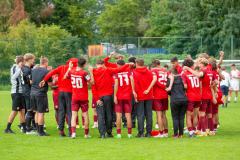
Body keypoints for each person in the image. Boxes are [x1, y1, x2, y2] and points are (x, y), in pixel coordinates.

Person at [90, 59, 131, 138]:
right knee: (109, 114)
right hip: (108, 96)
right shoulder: (107, 70)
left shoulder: (93, 72)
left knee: (100, 115)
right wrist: (127, 64)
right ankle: (109, 132)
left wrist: (97, 99)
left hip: (99, 96)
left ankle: (102, 133)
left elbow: (93, 87)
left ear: (96, 65)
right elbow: (120, 69)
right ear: (103, 64)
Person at [40, 58, 78, 137]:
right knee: (69, 112)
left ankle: (61, 130)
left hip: (60, 93)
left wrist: (44, 80)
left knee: (61, 111)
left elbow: (51, 73)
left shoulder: (61, 67)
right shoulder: (74, 69)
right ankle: (71, 131)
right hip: (70, 93)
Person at [183, 58, 217, 136]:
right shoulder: (210, 71)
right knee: (208, 114)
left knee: (200, 114)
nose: (198, 65)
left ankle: (202, 131)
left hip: (201, 96)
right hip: (207, 96)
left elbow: (198, 75)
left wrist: (187, 68)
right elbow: (215, 82)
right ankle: (210, 130)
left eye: (200, 63)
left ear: (203, 64)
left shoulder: (203, 71)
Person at [64, 57, 92, 138]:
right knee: (85, 115)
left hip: (75, 96)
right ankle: (86, 134)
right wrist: (91, 73)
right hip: (83, 97)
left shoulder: (72, 71)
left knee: (73, 115)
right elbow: (91, 83)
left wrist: (69, 68)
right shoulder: (84, 73)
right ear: (84, 64)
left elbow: (65, 76)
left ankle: (73, 133)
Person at [131, 58, 157, 138]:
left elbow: (133, 82)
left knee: (140, 115)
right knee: (149, 114)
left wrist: (133, 92)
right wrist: (149, 89)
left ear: (136, 63)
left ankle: (141, 132)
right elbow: (154, 79)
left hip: (139, 95)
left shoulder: (134, 72)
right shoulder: (149, 72)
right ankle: (148, 132)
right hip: (149, 95)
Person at [4, 56, 27, 134]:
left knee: (22, 111)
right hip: (16, 93)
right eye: (24, 61)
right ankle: (7, 128)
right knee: (15, 111)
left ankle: (24, 128)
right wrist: (20, 68)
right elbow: (13, 78)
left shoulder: (19, 68)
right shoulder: (15, 67)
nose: (25, 63)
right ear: (21, 61)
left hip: (21, 93)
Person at [151, 59, 173, 138]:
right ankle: (166, 132)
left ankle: (161, 133)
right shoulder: (165, 71)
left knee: (159, 115)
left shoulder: (154, 71)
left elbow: (155, 81)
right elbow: (171, 78)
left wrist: (163, 87)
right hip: (165, 95)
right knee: (164, 114)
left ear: (154, 64)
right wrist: (168, 87)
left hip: (157, 95)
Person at [113, 60, 133, 138]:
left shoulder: (117, 72)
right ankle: (129, 134)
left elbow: (116, 84)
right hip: (127, 95)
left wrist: (114, 95)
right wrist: (133, 91)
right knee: (128, 115)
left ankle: (119, 134)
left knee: (118, 115)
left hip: (119, 96)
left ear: (118, 65)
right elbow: (132, 80)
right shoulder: (129, 71)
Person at [31, 57, 50, 136]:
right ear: (45, 62)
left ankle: (37, 130)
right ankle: (41, 131)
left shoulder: (34, 70)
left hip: (32, 93)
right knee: (41, 112)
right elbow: (51, 83)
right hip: (41, 94)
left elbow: (31, 81)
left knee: (36, 111)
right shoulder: (46, 71)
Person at [182, 58, 201, 137]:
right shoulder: (196, 73)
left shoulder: (184, 74)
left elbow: (185, 86)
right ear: (192, 66)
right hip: (198, 96)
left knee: (188, 115)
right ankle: (195, 129)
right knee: (196, 114)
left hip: (190, 97)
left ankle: (191, 132)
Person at [170, 68, 187, 138]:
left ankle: (176, 134)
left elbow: (168, 90)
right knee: (181, 117)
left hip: (175, 100)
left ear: (172, 74)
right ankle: (181, 134)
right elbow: (186, 88)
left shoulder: (171, 80)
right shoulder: (182, 79)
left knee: (175, 118)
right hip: (183, 99)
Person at [22, 53, 36, 134]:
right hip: (28, 91)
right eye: (33, 59)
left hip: (25, 90)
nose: (34, 61)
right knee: (30, 110)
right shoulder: (27, 70)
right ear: (30, 59)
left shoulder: (24, 68)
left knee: (30, 109)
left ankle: (30, 127)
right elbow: (30, 82)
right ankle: (27, 129)